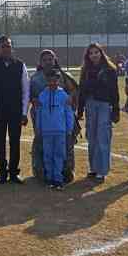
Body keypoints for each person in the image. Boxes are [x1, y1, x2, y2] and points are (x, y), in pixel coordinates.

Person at [29, 50, 79, 184]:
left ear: (55, 60)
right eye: (44, 60)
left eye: (50, 59)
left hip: (61, 120)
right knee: (42, 145)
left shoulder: (63, 76)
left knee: (65, 146)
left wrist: (71, 100)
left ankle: (65, 171)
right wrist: (34, 100)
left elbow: (74, 91)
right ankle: (43, 172)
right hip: (42, 118)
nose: (48, 62)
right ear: (40, 62)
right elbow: (30, 95)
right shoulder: (35, 79)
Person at [77, 43, 120, 183]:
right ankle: (93, 168)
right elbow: (82, 91)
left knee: (103, 137)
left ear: (101, 53)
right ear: (88, 56)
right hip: (90, 105)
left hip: (104, 105)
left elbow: (114, 91)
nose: (94, 55)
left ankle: (102, 170)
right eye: (91, 53)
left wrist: (116, 110)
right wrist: (80, 110)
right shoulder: (85, 70)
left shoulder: (109, 70)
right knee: (92, 137)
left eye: (96, 52)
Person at [0, 36, 30, 184]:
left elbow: (26, 90)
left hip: (15, 111)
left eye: (8, 46)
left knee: (15, 141)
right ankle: (2, 171)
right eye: (3, 46)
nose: (6, 49)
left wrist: (24, 112)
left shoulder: (20, 65)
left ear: (12, 48)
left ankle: (13, 172)